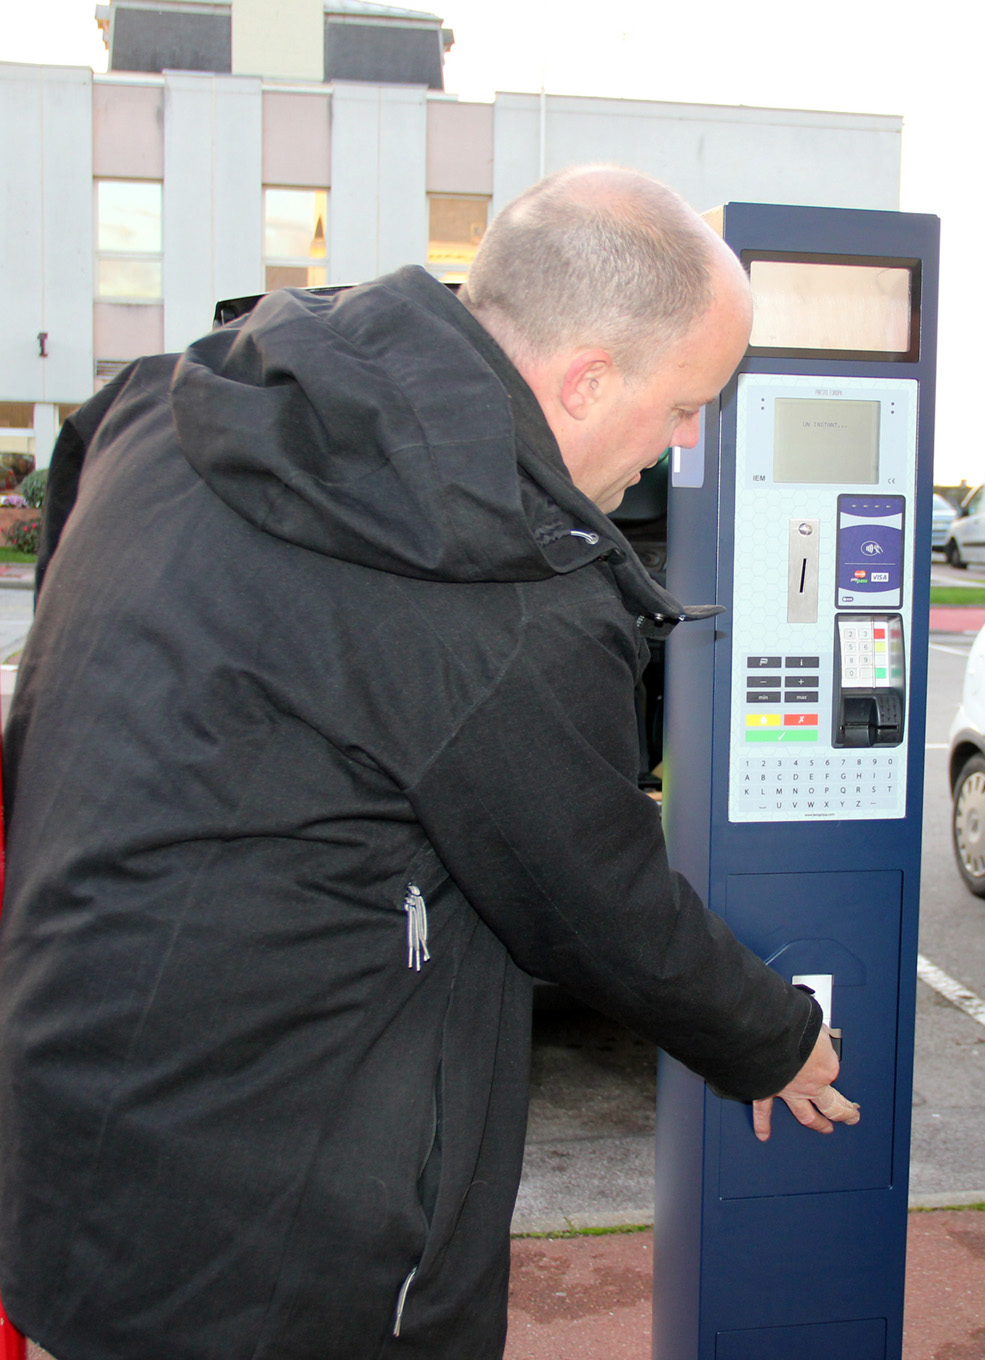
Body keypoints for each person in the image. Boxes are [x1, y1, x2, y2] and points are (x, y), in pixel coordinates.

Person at [0, 166, 857, 1360]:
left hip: (72, 1182)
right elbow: (597, 903)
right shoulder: (497, 586)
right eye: (683, 405)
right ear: (586, 378)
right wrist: (776, 1037)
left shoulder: (167, 405)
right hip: (286, 1274)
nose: (683, 444)